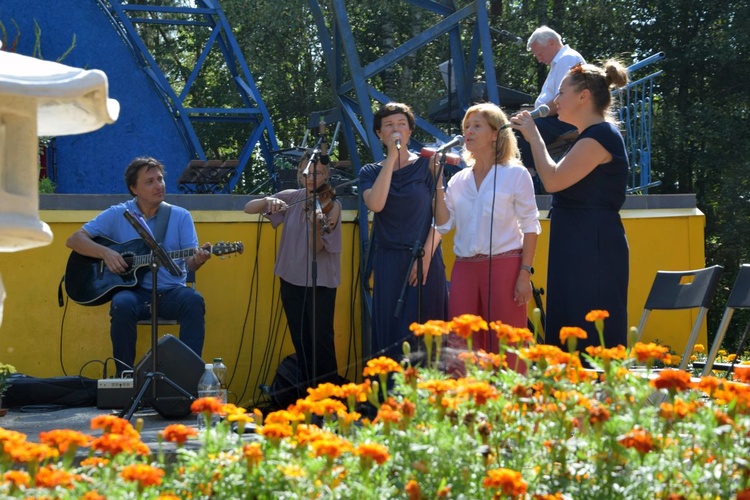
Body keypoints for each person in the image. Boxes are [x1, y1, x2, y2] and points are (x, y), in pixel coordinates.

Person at [510, 60, 630, 352]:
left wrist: (533, 135)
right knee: (569, 320)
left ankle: (596, 390)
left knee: (588, 326)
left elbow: (552, 180)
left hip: (593, 244)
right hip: (579, 241)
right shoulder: (589, 136)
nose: (555, 101)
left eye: (561, 92)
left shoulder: (600, 136)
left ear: (583, 96)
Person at [66, 157, 211, 374]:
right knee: (121, 304)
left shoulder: (180, 216)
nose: (159, 185)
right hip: (135, 293)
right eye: (150, 181)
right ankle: (124, 376)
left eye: (160, 179)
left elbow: (190, 261)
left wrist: (197, 261)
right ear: (134, 188)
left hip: (171, 292)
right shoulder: (119, 214)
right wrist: (106, 253)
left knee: (194, 301)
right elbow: (74, 240)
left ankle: (187, 376)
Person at [434, 103, 540, 354]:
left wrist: (525, 274)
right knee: (462, 342)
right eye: (466, 126)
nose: (468, 131)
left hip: (506, 266)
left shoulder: (515, 174)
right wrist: (438, 183)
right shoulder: (459, 179)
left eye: (477, 126)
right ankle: (467, 393)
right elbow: (444, 224)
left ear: (495, 133)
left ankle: (510, 392)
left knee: (508, 343)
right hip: (465, 268)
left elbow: (530, 226)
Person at [243, 151, 342, 390]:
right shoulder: (291, 197)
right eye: (306, 172)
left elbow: (317, 249)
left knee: (321, 342)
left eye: (317, 173)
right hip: (291, 279)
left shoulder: (332, 206)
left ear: (326, 174)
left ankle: (329, 395)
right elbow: (248, 208)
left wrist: (314, 227)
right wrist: (268, 200)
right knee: (301, 341)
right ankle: (308, 393)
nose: (310, 177)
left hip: (320, 283)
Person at [360, 102, 448, 361]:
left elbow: (443, 220)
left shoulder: (428, 164)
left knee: (426, 336)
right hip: (389, 261)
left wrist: (427, 255)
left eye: (401, 124)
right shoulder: (371, 171)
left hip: (425, 258)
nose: (395, 129)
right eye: (388, 125)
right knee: (391, 334)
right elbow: (376, 204)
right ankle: (390, 397)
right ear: (379, 134)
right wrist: (391, 159)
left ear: (410, 132)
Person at [518, 26, 585, 188]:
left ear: (551, 43)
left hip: (565, 119)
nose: (539, 59)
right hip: (557, 116)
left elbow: (562, 102)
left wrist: (533, 116)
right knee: (519, 125)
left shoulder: (567, 59)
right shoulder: (560, 61)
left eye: (539, 53)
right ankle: (528, 177)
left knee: (522, 128)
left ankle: (530, 181)